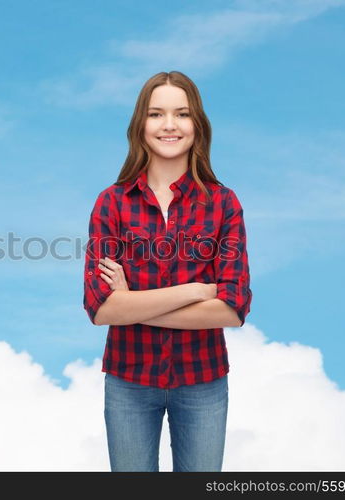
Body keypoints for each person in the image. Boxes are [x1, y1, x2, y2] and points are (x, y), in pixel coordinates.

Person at [82, 71, 253, 472]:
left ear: (198, 125)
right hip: (128, 381)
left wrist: (133, 305)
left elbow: (232, 309)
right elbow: (100, 308)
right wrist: (196, 289)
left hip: (203, 381)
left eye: (182, 113)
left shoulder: (223, 204)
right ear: (141, 125)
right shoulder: (112, 203)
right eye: (157, 114)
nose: (170, 125)